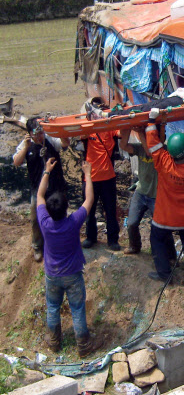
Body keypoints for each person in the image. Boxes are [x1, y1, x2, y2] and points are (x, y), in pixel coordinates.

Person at [37, 157, 103, 357]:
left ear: (49, 210)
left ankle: (54, 341)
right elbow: (89, 201)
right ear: (67, 208)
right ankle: (83, 346)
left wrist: (47, 171)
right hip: (73, 274)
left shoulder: (45, 222)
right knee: (76, 308)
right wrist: (88, 174)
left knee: (52, 306)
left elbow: (40, 194)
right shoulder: (73, 222)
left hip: (52, 274)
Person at [145, 108, 184, 287]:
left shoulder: (164, 163)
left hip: (166, 217)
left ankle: (165, 275)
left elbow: (154, 146)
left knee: (156, 240)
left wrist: (151, 121)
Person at [13, 117, 69, 262]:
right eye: (36, 134)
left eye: (41, 133)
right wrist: (26, 147)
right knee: (35, 218)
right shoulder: (26, 145)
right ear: (29, 134)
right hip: (37, 189)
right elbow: (16, 162)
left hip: (56, 186)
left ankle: (60, 242)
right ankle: (38, 245)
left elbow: (64, 144)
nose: (39, 137)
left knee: (60, 215)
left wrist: (61, 131)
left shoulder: (50, 139)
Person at [119, 127, 175, 256]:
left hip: (157, 196)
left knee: (163, 228)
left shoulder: (163, 150)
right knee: (132, 223)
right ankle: (134, 246)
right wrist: (126, 127)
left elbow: (150, 151)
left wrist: (139, 132)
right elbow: (123, 145)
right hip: (141, 192)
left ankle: (171, 255)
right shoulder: (139, 148)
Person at [81, 129, 121, 251]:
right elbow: (81, 135)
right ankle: (90, 237)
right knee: (89, 210)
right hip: (90, 178)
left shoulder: (111, 129)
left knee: (110, 211)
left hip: (108, 177)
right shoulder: (89, 130)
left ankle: (113, 239)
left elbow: (121, 134)